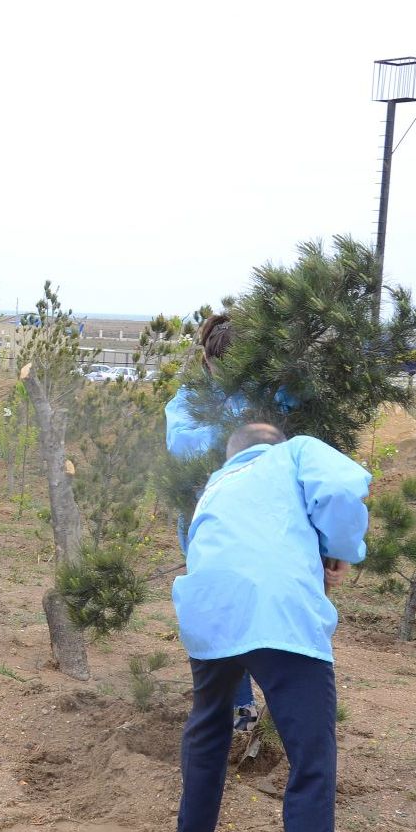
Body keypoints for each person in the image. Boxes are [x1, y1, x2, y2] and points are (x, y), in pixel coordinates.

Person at [174, 422, 389, 832]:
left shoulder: (213, 489)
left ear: (231, 455)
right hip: (275, 610)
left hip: (207, 608)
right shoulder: (294, 452)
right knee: (312, 757)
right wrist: (339, 550)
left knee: (209, 721)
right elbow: (340, 489)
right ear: (270, 444)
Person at [165, 313, 259, 732]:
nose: (226, 370)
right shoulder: (190, 399)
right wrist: (241, 434)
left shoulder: (272, 394)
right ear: (206, 359)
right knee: (219, 608)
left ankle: (277, 701)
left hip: (264, 517)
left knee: (263, 604)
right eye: (219, 360)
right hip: (205, 514)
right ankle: (237, 706)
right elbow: (183, 444)